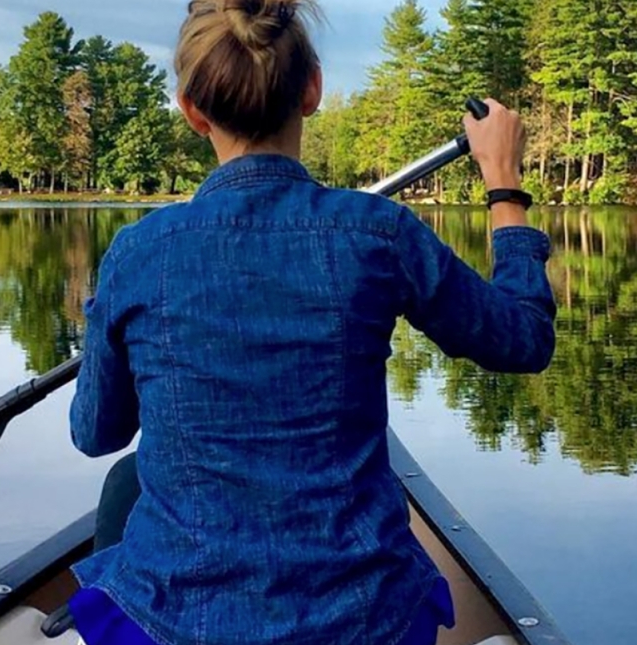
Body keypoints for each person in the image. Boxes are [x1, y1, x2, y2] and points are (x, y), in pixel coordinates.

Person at [64, 0, 556, 643]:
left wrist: (104, 318)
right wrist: (503, 182)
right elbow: (523, 339)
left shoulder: (138, 252)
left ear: (191, 110)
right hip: (367, 621)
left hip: (180, 624)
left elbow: (96, 432)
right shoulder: (377, 234)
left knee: (126, 480)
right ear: (313, 90)